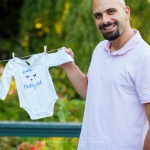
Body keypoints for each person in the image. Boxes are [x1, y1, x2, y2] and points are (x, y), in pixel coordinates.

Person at [61, 0, 150, 149]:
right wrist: (69, 66)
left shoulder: (145, 57)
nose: (105, 20)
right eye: (98, 16)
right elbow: (91, 91)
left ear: (126, 12)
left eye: (111, 12)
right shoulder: (100, 49)